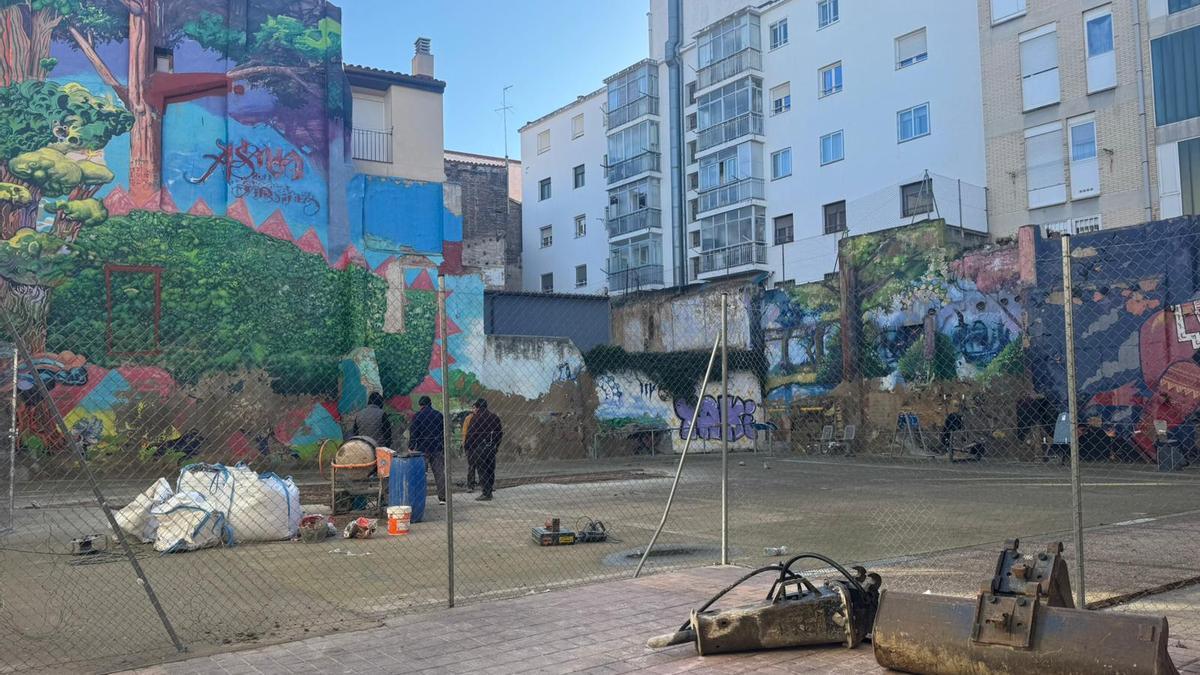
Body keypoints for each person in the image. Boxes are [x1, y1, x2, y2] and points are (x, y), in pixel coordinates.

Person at [408, 396, 447, 505]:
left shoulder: (417, 416)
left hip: (422, 449)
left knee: (422, 474)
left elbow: (414, 432)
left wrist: (411, 446)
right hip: (436, 447)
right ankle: (442, 498)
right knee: (439, 473)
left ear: (420, 405)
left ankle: (420, 497)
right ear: (430, 404)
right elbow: (443, 431)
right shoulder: (439, 415)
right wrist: (442, 446)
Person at [463, 398, 502, 501]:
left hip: (479, 448)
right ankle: (490, 488)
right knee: (490, 468)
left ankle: (486, 493)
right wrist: (496, 445)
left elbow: (470, 434)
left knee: (482, 469)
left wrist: (467, 446)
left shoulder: (476, 418)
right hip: (491, 446)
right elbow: (499, 433)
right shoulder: (494, 417)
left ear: (478, 407)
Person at [461, 409, 477, 492]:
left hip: (475, 445)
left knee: (481, 466)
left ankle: (486, 485)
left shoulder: (482, 417)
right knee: (472, 466)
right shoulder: (468, 418)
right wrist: (464, 443)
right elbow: (464, 431)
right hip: (471, 446)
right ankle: (470, 485)